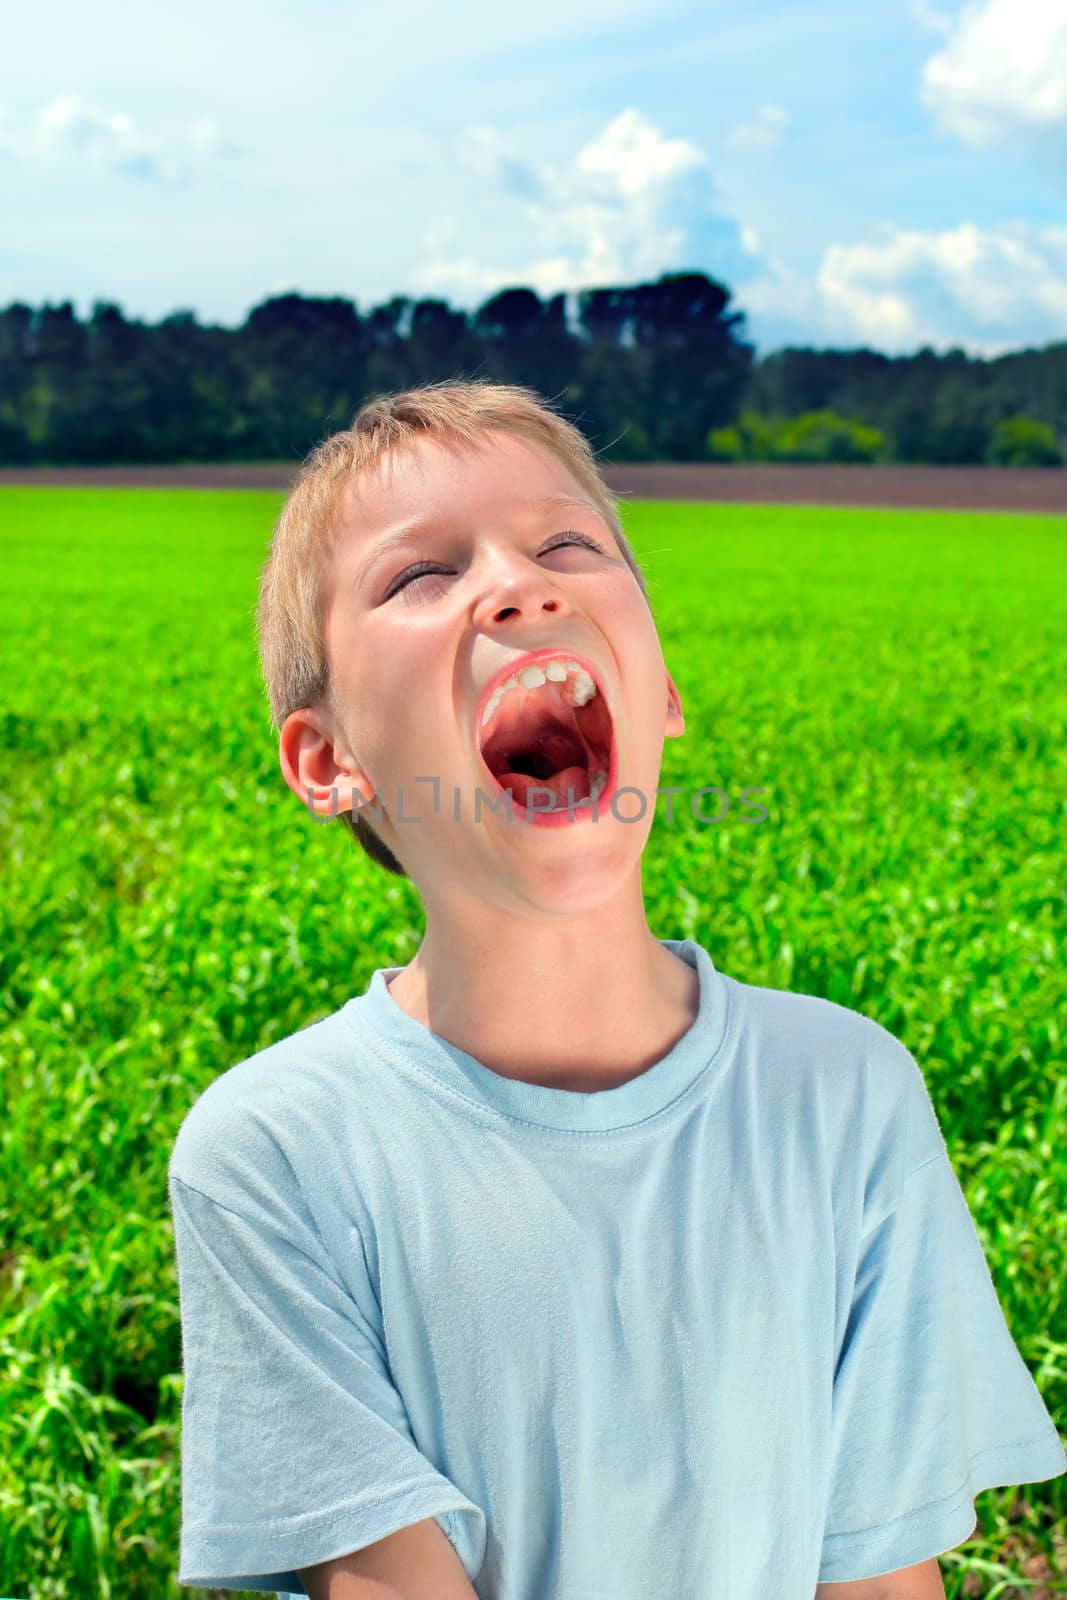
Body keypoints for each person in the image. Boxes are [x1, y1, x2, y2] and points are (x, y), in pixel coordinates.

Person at [167, 379, 1065, 1600]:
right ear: (328, 760)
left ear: (664, 691)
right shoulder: (275, 1150)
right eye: (420, 575)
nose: (521, 587)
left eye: (566, 546)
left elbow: (878, 1571)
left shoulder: (846, 1095)